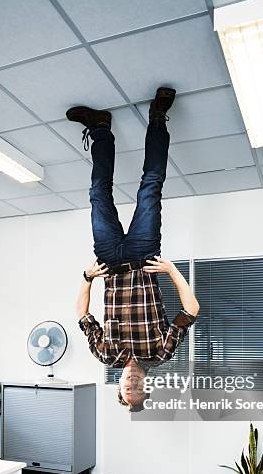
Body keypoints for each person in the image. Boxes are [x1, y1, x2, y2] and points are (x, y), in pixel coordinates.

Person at [68, 87, 199, 412]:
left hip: (109, 261)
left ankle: (100, 129)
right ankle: (157, 117)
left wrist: (86, 278)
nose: (133, 384)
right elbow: (191, 311)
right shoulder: (160, 353)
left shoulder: (105, 354)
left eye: (128, 390)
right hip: (144, 256)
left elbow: (83, 315)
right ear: (146, 386)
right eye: (139, 390)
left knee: (98, 194)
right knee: (150, 185)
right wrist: (170, 270)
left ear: (120, 388)